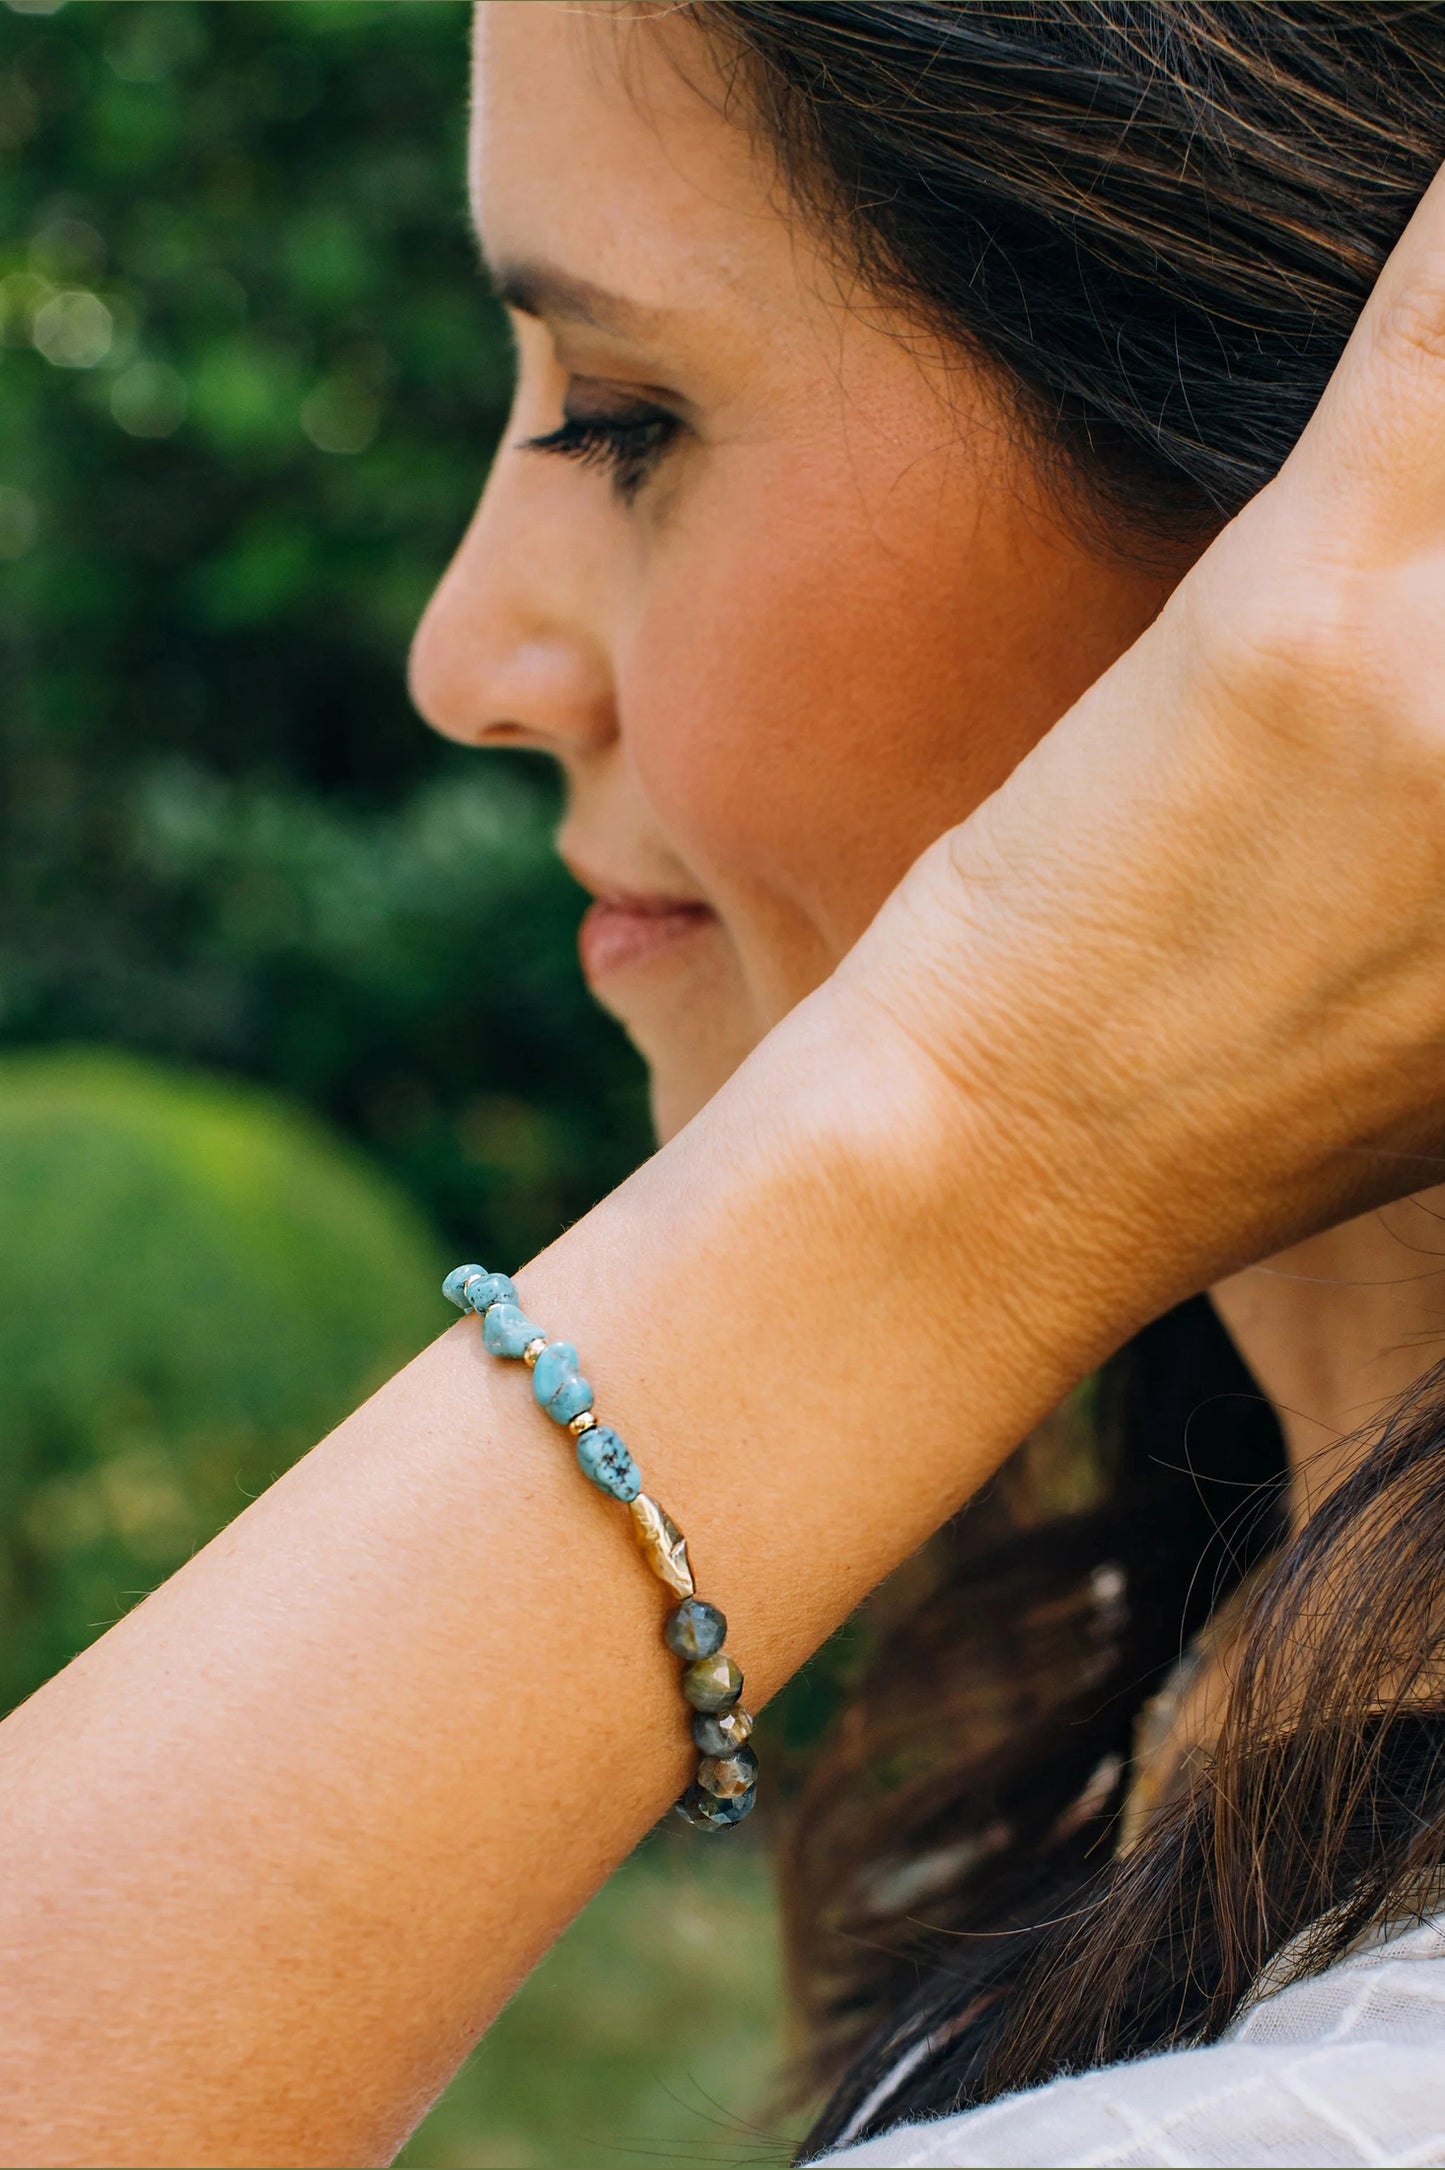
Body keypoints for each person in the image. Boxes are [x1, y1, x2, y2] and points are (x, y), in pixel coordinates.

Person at [4, 3, 1445, 2163]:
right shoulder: (1219, 1652)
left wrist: (965, 1136)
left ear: (1330, 503)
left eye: (620, 416)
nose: (463, 651)